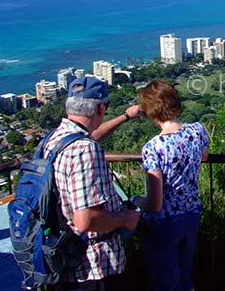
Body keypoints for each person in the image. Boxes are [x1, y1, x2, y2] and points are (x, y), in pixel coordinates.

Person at [44, 76, 142, 290]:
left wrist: (124, 117)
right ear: (100, 108)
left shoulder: (54, 139)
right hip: (94, 267)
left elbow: (91, 135)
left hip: (64, 259)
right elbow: (86, 220)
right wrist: (126, 218)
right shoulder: (85, 150)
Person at [130, 80, 209, 291]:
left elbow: (155, 203)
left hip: (164, 221)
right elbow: (204, 156)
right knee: (185, 274)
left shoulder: (153, 148)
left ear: (151, 112)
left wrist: (136, 201)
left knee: (164, 280)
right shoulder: (197, 131)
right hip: (191, 212)